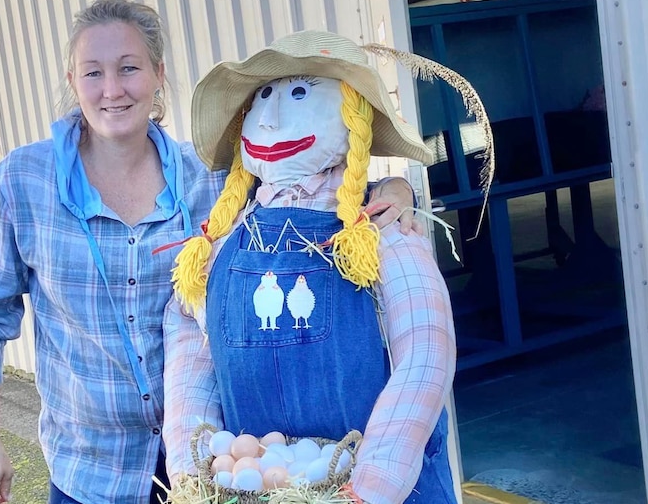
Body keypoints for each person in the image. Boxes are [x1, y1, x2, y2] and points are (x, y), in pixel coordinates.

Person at [0, 0, 421, 504]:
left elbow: (311, 188)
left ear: (157, 74)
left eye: (129, 68)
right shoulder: (21, 183)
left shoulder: (211, 176)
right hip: (89, 471)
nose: (112, 89)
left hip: (215, 465)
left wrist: (392, 188)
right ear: (73, 80)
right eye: (93, 73)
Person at [162, 30, 480, 503]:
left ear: (350, 116)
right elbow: (191, 355)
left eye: (298, 95)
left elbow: (425, 356)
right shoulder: (219, 246)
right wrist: (195, 465)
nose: (270, 118)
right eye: (263, 98)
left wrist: (371, 487)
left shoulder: (383, 231)